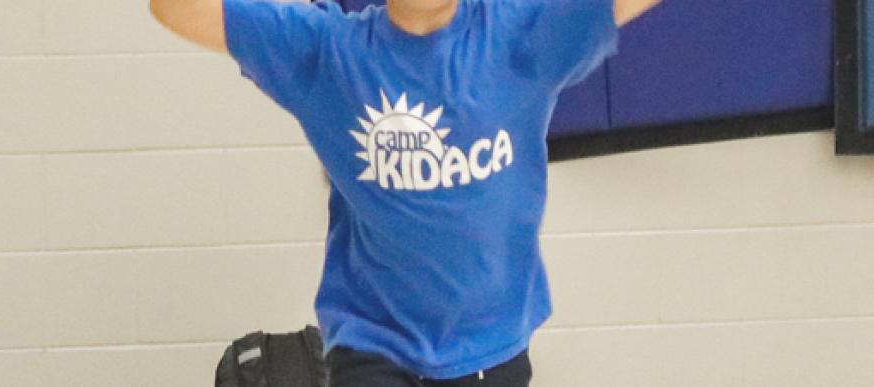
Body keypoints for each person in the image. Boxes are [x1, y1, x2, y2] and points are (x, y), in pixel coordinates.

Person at [149, 0, 660, 385]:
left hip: (489, 350)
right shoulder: (329, 53)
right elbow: (175, 9)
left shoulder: (518, 36)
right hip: (372, 349)